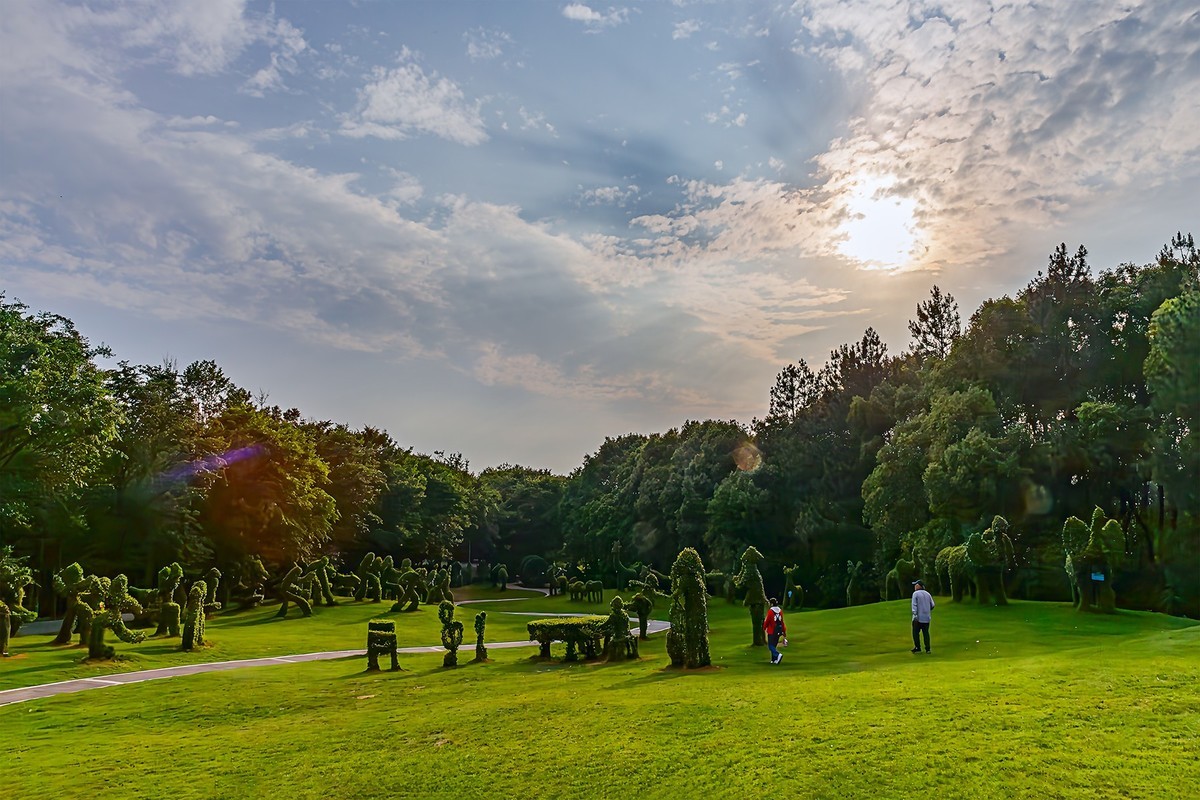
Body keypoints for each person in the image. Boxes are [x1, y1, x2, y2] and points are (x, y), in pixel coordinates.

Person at [911, 579, 935, 654]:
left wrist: (915, 614)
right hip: (926, 617)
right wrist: (927, 610)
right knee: (926, 633)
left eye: (916, 585)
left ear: (919, 586)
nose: (915, 586)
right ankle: (928, 649)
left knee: (915, 633)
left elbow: (914, 605)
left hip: (918, 618)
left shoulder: (915, 594)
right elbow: (932, 605)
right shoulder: (928, 594)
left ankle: (917, 647)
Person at [764, 597, 787, 664]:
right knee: (774, 645)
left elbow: (767, 621)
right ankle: (773, 660)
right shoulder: (780, 611)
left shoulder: (771, 611)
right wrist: (784, 631)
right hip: (779, 630)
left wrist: (764, 627)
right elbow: (782, 622)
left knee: (770, 645)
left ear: (771, 604)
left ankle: (777, 655)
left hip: (772, 630)